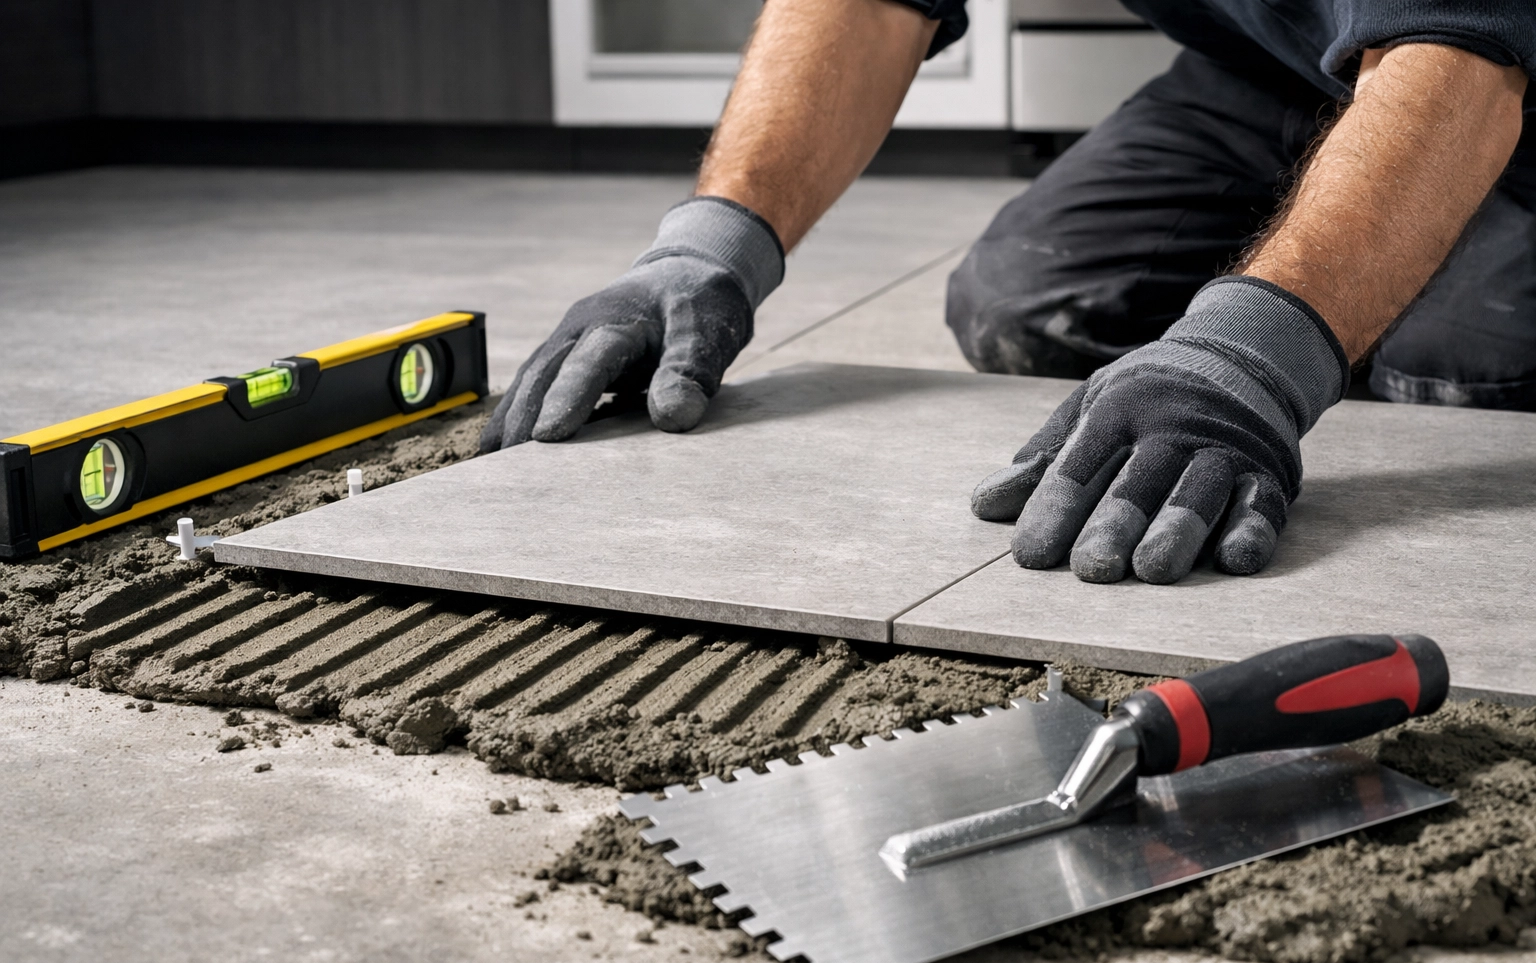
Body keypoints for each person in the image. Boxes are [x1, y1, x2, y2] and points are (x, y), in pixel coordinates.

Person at [480, 0, 1532, 585]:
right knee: (1028, 299)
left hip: (1478, 47)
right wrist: (709, 243)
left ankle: (1415, 224)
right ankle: (1385, 214)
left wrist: (1262, 349)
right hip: (1292, 64)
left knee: (1446, 359)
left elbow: (1462, 40)